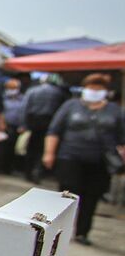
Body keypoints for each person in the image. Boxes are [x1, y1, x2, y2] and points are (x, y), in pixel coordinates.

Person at [43, 73, 125, 244]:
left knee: (91, 196)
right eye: (92, 88)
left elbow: (121, 137)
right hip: (70, 156)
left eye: (98, 89)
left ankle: (82, 232)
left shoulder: (115, 111)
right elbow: (54, 131)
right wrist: (49, 153)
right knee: (66, 195)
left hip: (100, 160)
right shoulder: (71, 106)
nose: (94, 92)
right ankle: (59, 230)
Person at [23, 74, 70, 180]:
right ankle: (38, 172)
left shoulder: (33, 90)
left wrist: (24, 124)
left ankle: (28, 172)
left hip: (35, 121)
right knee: (42, 149)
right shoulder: (59, 93)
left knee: (32, 148)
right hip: (49, 122)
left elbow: (25, 107)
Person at [0, 77, 27, 173]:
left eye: (14, 88)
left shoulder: (23, 99)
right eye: (10, 87)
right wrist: (0, 123)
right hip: (3, 126)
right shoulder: (2, 98)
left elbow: (24, 113)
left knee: (12, 148)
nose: (12, 90)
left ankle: (8, 168)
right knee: (2, 147)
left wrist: (23, 125)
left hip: (16, 127)